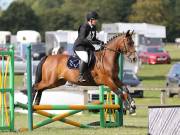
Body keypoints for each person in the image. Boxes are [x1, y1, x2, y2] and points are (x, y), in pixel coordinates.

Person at [73, 11, 104, 82]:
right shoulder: (84, 26)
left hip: (87, 47)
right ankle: (80, 76)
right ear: (91, 20)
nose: (96, 21)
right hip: (79, 46)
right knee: (85, 57)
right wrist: (92, 44)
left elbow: (93, 39)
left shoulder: (93, 27)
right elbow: (82, 39)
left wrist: (100, 42)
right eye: (95, 19)